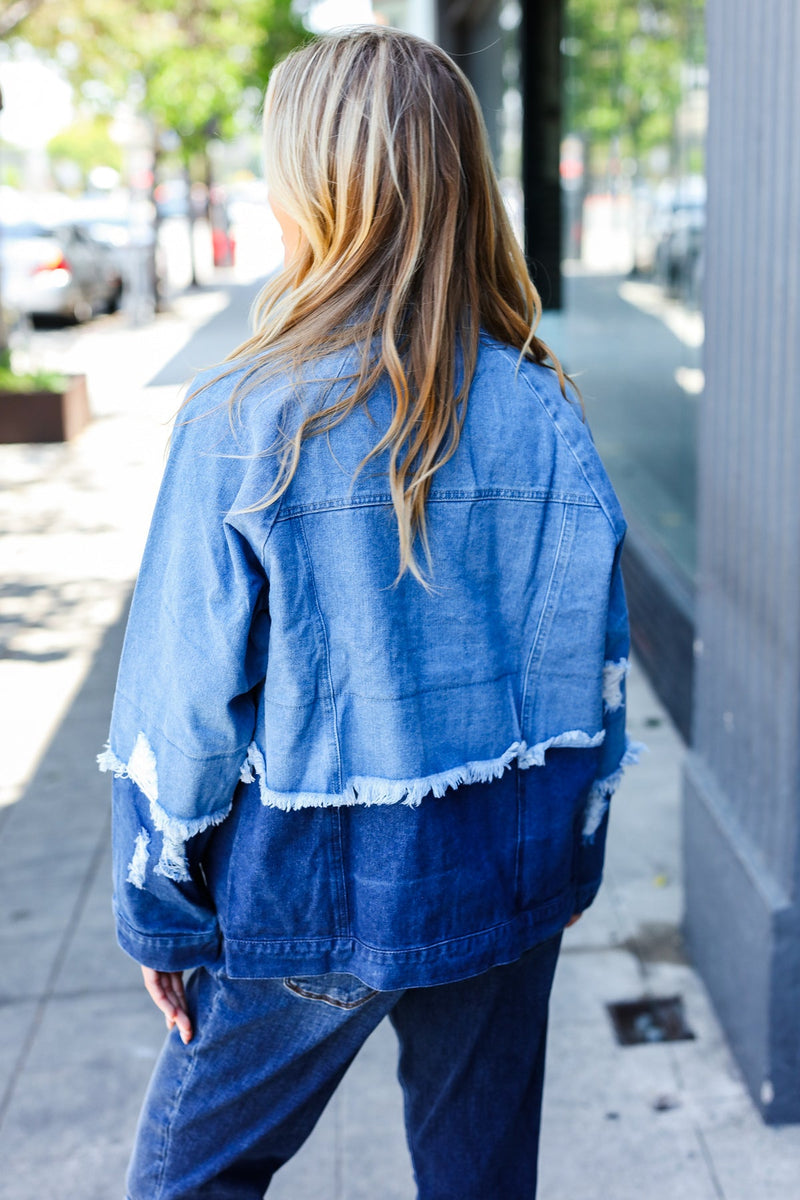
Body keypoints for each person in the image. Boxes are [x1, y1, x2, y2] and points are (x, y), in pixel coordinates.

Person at [99, 25, 641, 1200]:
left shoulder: (245, 414)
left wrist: (158, 914)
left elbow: (178, 710)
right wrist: (568, 859)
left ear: (316, 188)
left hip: (310, 888)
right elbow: (599, 681)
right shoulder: (546, 404)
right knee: (480, 1180)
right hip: (505, 871)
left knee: (188, 1181)